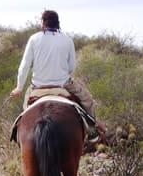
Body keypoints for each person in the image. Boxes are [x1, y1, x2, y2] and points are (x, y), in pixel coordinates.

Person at [10, 10, 99, 143]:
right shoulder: (67, 40)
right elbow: (71, 67)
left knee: (26, 109)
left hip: (38, 85)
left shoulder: (34, 39)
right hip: (63, 84)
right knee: (87, 100)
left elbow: (24, 66)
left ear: (43, 22)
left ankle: (21, 137)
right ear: (58, 23)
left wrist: (19, 88)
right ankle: (92, 131)